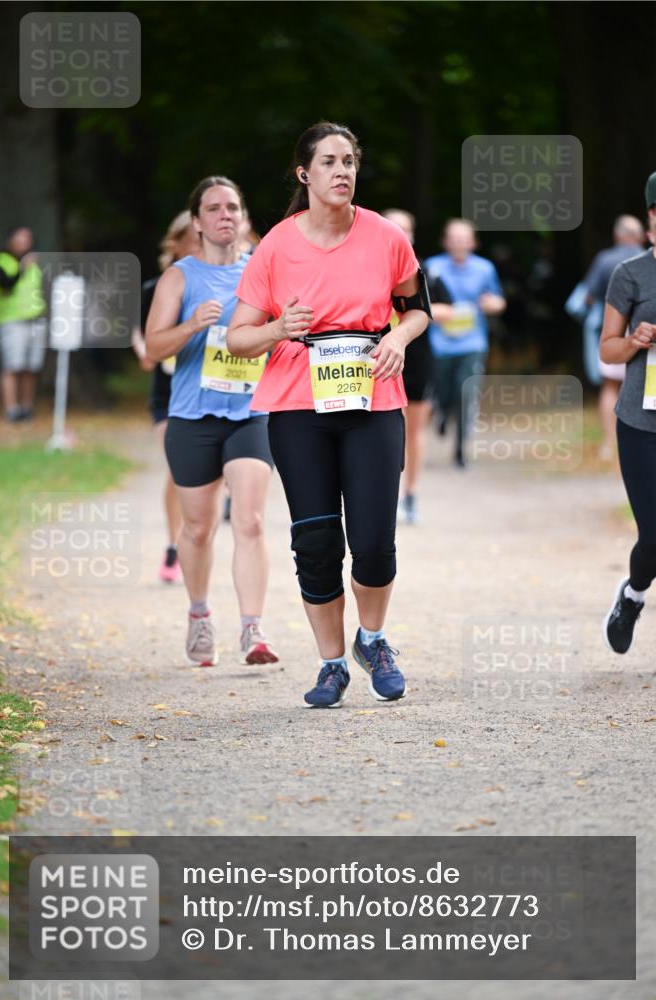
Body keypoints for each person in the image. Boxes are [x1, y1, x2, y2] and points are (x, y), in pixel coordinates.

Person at [227, 122, 431, 708]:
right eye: (329, 162)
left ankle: (373, 639)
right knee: (316, 542)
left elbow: (417, 308)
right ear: (304, 174)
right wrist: (276, 328)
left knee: (373, 541)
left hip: (372, 399)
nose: (342, 171)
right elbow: (239, 338)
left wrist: (399, 338)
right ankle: (332, 664)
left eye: (349, 161)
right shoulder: (276, 246)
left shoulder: (386, 236)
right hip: (297, 405)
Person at [145, 176, 278, 667]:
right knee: (198, 529)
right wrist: (191, 325)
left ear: (243, 218)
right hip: (192, 416)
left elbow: (282, 334)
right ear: (197, 221)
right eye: (215, 208)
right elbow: (153, 347)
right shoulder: (179, 278)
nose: (226, 215)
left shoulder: (261, 273)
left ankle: (253, 629)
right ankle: (199, 614)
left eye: (234, 207)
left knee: (252, 520)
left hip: (250, 413)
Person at [600, 172, 656, 655]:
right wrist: (634, 341)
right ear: (652, 218)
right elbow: (607, 350)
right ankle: (634, 595)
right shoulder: (631, 274)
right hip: (641, 424)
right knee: (655, 534)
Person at [131, 210, 199, 582]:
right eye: (192, 238)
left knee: (204, 476)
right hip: (169, 395)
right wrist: (145, 348)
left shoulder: (219, 285)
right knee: (178, 468)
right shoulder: (154, 289)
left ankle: (195, 537)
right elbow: (141, 338)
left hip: (207, 389)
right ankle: (173, 547)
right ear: (176, 244)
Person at [381, 208, 453, 525]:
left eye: (406, 229)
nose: (401, 234)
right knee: (381, 433)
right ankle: (384, 495)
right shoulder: (367, 270)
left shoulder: (426, 274)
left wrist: (416, 311)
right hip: (376, 363)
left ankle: (410, 495)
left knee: (414, 430)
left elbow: (449, 310)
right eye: (394, 228)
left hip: (417, 360)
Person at [424, 219, 506, 467]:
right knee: (444, 393)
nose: (459, 243)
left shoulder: (485, 269)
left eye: (464, 238)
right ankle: (442, 411)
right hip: (439, 344)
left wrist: (492, 304)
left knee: (466, 394)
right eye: (454, 238)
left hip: (473, 344)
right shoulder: (432, 267)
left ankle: (460, 450)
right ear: (445, 241)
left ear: (473, 242)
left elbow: (499, 301)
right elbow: (420, 304)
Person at [582, 215, 645, 460]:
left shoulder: (605, 260)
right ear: (639, 235)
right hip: (645, 334)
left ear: (617, 235)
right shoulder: (647, 259)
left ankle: (610, 443)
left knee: (610, 386)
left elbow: (588, 296)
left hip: (614, 334)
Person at [0, 227, 47, 421]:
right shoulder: (1, 261)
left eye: (28, 239)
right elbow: (5, 284)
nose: (25, 242)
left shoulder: (35, 263)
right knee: (12, 366)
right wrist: (22, 268)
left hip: (35, 320)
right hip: (11, 321)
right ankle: (11, 409)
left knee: (31, 368)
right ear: (10, 240)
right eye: (20, 238)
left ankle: (27, 408)